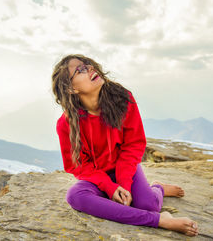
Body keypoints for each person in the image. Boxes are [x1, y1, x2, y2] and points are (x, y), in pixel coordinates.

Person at [51, 54, 199, 236]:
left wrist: (124, 184)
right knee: (75, 196)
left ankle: (158, 188)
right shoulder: (66, 123)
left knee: (147, 204)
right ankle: (160, 220)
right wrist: (110, 187)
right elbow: (77, 165)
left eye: (88, 65)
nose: (89, 68)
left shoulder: (122, 99)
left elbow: (134, 144)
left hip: (126, 169)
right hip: (97, 178)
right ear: (72, 89)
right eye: (80, 70)